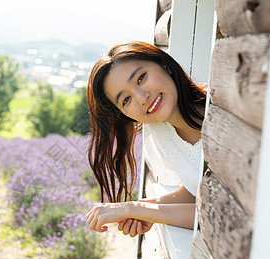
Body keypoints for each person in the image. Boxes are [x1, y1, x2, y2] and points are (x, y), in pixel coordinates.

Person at [85, 40, 206, 237]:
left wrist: (134, 210)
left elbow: (218, 210)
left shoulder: (221, 111)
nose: (142, 98)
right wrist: (140, 208)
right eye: (126, 100)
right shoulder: (162, 132)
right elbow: (198, 189)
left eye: (141, 78)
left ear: (164, 65)